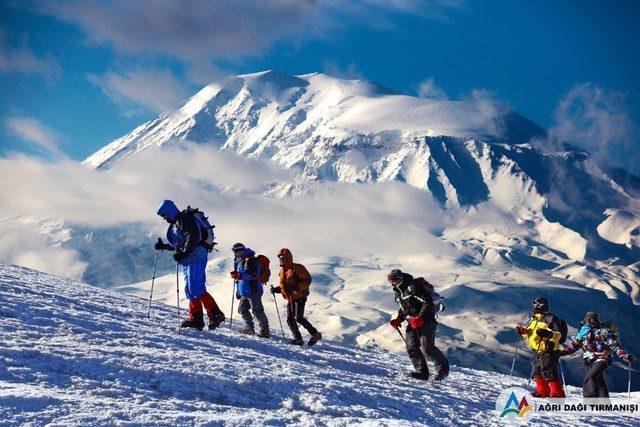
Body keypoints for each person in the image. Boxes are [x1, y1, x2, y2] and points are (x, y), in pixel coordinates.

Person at [155, 199, 225, 331]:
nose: (164, 218)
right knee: (190, 290)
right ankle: (196, 319)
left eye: (164, 215)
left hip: (196, 254)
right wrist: (164, 247)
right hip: (189, 257)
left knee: (196, 288)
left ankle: (216, 314)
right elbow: (181, 243)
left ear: (169, 211)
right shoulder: (178, 222)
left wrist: (183, 253)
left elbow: (192, 237)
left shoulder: (184, 218)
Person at [388, 269, 449, 381]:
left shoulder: (413, 287)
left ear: (400, 278)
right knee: (411, 346)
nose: (392, 283)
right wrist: (398, 320)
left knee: (427, 348)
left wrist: (420, 318)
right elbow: (404, 309)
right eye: (390, 280)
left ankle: (443, 370)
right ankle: (421, 373)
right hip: (413, 322)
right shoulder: (398, 292)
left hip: (427, 320)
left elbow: (427, 302)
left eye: (394, 280)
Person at [561, 311, 634, 397]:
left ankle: (590, 400)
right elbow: (575, 344)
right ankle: (605, 403)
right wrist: (564, 352)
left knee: (591, 376)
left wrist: (624, 356)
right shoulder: (584, 332)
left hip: (603, 357)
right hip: (590, 358)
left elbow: (614, 344)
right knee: (598, 379)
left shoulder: (603, 332)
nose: (589, 321)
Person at [515, 297, 566, 398]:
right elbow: (530, 336)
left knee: (548, 371)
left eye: (538, 305)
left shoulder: (551, 319)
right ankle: (542, 392)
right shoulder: (533, 319)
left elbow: (558, 334)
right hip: (536, 349)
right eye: (535, 304)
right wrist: (523, 332)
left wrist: (548, 335)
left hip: (549, 349)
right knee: (537, 371)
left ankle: (558, 393)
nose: (536, 306)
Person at [270, 248, 322, 346]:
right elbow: (284, 286)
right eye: (280, 258)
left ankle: (315, 334)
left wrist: (295, 288)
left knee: (299, 318)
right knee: (290, 319)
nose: (281, 260)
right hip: (290, 297)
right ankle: (298, 339)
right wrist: (276, 290)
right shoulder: (282, 271)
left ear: (288, 258)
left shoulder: (297, 268)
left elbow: (307, 280)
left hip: (300, 296)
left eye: (283, 258)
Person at [230, 243, 270, 338]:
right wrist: (238, 291)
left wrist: (239, 276)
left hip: (253, 289)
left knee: (257, 310)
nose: (238, 253)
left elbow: (252, 274)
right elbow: (240, 279)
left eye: (239, 251)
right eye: (236, 251)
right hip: (245, 290)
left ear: (243, 250)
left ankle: (265, 330)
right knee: (242, 309)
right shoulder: (239, 261)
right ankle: (250, 328)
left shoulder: (251, 260)